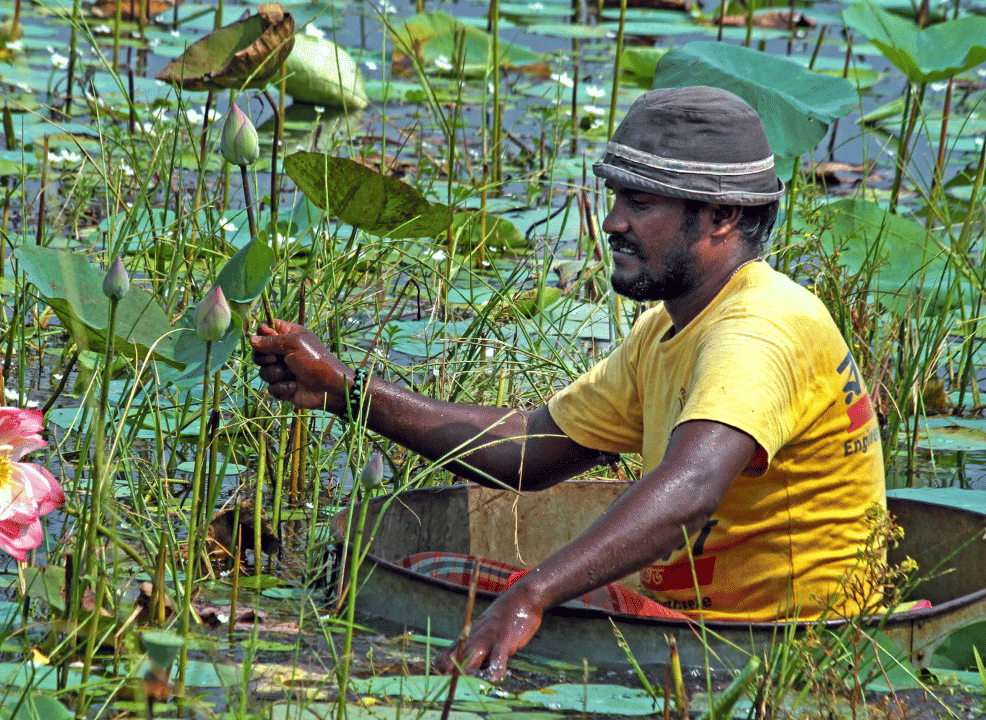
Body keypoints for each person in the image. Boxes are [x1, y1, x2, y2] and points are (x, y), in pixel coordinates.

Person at [249, 86, 884, 681]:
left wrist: (533, 594)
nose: (611, 223)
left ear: (720, 216)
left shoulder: (758, 331)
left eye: (640, 204)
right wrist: (347, 391)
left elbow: (689, 493)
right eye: (616, 199)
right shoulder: (671, 326)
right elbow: (530, 449)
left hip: (773, 648)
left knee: (439, 600)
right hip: (698, 629)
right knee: (435, 574)